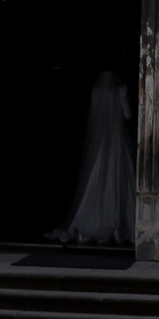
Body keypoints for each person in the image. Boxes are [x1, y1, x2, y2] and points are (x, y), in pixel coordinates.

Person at [57, 65, 135, 244]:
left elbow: (93, 118)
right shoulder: (121, 90)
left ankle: (95, 219)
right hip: (117, 140)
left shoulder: (96, 91)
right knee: (119, 178)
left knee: (96, 175)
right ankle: (116, 219)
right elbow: (127, 115)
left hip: (100, 142)